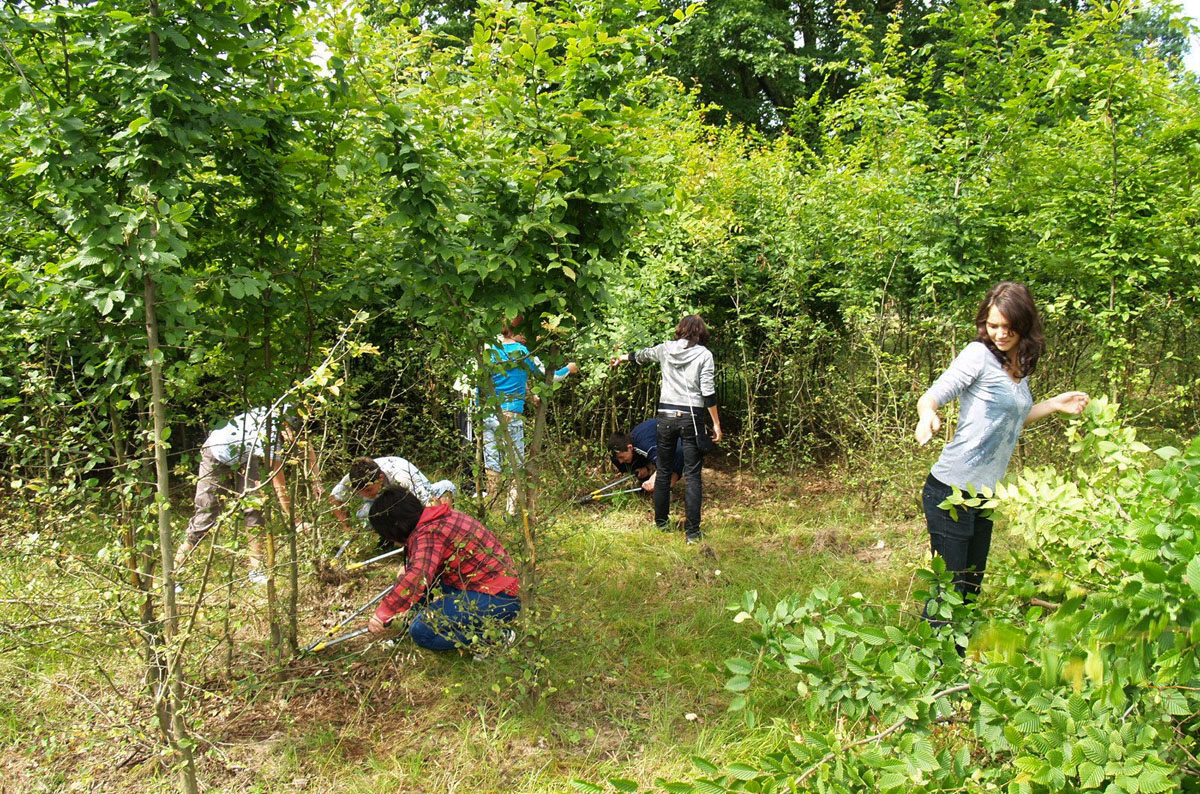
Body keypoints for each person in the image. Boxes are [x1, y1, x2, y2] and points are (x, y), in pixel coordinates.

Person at [914, 281, 1088, 629]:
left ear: (1023, 325)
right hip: (950, 490)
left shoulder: (1018, 365)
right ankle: (928, 666)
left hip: (984, 496)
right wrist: (927, 414)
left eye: (1008, 327)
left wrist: (1054, 404)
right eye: (993, 326)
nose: (1000, 333)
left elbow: (1012, 416)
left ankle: (954, 660)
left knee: (970, 589)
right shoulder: (977, 355)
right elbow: (933, 395)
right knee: (948, 591)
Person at [365, 485, 521, 652]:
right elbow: (422, 569)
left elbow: (417, 577)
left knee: (421, 631)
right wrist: (410, 568)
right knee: (422, 582)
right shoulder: (435, 517)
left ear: (396, 526)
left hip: (499, 598)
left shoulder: (429, 533)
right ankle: (410, 624)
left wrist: (383, 613)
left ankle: (496, 637)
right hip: (490, 587)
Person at [175, 402, 318, 583]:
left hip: (245, 455)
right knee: (207, 513)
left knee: (254, 506)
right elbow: (278, 483)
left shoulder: (292, 411)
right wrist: (295, 521)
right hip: (217, 452)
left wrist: (316, 482)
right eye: (290, 433)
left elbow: (307, 447)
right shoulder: (270, 433)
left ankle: (256, 569)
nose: (292, 439)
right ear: (284, 425)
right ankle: (174, 573)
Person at [611, 315, 722, 544]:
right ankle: (692, 533)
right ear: (701, 333)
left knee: (663, 470)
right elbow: (708, 392)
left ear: (679, 330)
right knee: (692, 476)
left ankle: (661, 525)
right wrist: (716, 423)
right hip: (691, 418)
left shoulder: (665, 349)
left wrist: (623, 358)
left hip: (666, 418)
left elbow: (642, 355)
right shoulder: (704, 355)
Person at [481, 319, 579, 513]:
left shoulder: (489, 351)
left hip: (489, 413)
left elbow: (485, 383)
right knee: (515, 465)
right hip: (511, 414)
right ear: (517, 332)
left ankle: (492, 510)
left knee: (492, 465)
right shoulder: (523, 353)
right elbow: (551, 376)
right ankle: (511, 513)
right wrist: (569, 368)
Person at [330, 456, 456, 543]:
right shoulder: (354, 478)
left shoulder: (403, 476)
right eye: (359, 491)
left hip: (412, 495)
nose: (364, 494)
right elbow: (334, 497)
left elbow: (430, 504)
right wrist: (345, 527)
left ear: (379, 478)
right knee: (365, 515)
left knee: (442, 495)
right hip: (385, 498)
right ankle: (389, 539)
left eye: (368, 490)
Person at [607, 418, 684, 492]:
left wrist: (654, 478)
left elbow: (663, 461)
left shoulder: (643, 445)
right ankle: (648, 486)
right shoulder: (622, 454)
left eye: (621, 457)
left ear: (630, 447)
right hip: (653, 445)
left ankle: (666, 490)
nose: (620, 461)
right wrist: (646, 469)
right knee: (625, 461)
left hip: (674, 433)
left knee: (678, 452)